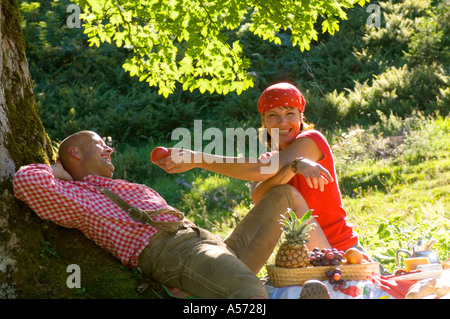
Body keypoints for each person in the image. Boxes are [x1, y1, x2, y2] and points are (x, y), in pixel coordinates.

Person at [13, 130, 331, 299]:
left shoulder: (114, 184)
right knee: (249, 294)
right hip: (173, 253)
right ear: (75, 154)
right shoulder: (78, 195)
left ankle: (330, 261)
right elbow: (25, 181)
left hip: (208, 244)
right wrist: (59, 171)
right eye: (100, 145)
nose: (109, 150)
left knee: (281, 195)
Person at [155, 82, 361, 254]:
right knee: (282, 193)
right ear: (263, 120)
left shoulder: (311, 140)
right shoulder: (271, 158)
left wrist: (198, 158)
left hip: (342, 250)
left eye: (290, 113)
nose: (283, 122)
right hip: (302, 254)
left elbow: (265, 168)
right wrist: (293, 169)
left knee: (287, 192)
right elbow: (259, 196)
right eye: (273, 115)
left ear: (301, 117)